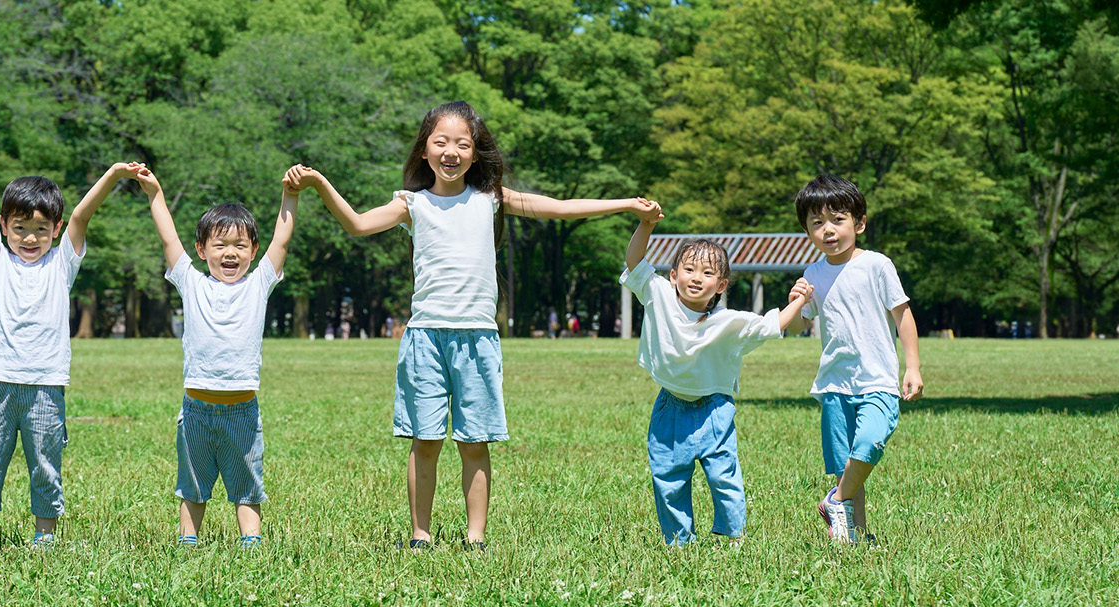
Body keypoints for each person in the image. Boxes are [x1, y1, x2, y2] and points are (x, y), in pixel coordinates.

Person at [286, 100, 660, 551]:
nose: (451, 151)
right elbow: (358, 225)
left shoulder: (490, 199)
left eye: (463, 143)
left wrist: (627, 206)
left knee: (474, 442)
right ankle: (419, 536)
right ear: (424, 151)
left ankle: (475, 539)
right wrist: (320, 183)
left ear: (475, 154)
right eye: (440, 141)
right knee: (424, 442)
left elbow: (559, 208)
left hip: (478, 339)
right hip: (425, 338)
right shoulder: (412, 204)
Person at [0, 117, 143, 556]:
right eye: (20, 228)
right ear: (4, 227)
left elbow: (81, 214)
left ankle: (45, 538)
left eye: (41, 228)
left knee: (45, 466)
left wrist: (114, 175)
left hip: (46, 385)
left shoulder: (62, 265)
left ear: (55, 230)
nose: (30, 237)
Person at [622, 215, 814, 545]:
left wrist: (799, 298)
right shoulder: (657, 295)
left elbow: (773, 324)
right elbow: (634, 260)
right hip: (669, 405)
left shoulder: (730, 322)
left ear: (721, 285)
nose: (697, 278)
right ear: (673, 275)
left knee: (724, 477)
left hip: (714, 409)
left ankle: (732, 537)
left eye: (708, 273)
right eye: (689, 270)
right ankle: (679, 542)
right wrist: (647, 225)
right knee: (668, 477)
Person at [146, 164, 300, 549]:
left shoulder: (260, 283)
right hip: (196, 409)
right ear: (201, 250)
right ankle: (187, 542)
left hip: (242, 410)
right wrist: (154, 193)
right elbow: (168, 239)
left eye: (240, 246)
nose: (230, 253)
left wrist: (291, 194)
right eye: (219, 245)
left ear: (253, 251)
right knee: (192, 483)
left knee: (247, 484)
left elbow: (281, 240)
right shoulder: (190, 282)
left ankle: (251, 543)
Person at [784, 175, 922, 544]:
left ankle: (836, 500)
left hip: (877, 379)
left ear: (858, 223)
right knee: (848, 461)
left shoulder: (877, 265)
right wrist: (796, 300)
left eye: (838, 220)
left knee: (871, 442)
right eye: (817, 223)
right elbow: (798, 326)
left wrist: (913, 366)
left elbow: (902, 315)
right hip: (834, 382)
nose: (828, 230)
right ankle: (857, 535)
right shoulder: (812, 274)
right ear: (807, 231)